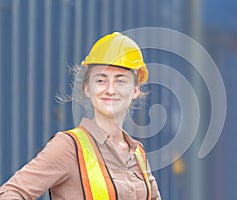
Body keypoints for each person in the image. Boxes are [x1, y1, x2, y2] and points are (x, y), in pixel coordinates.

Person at [0, 32, 161, 200]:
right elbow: (10, 193)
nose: (110, 89)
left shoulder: (137, 153)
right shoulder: (68, 147)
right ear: (87, 88)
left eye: (120, 81)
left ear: (135, 90)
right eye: (101, 80)